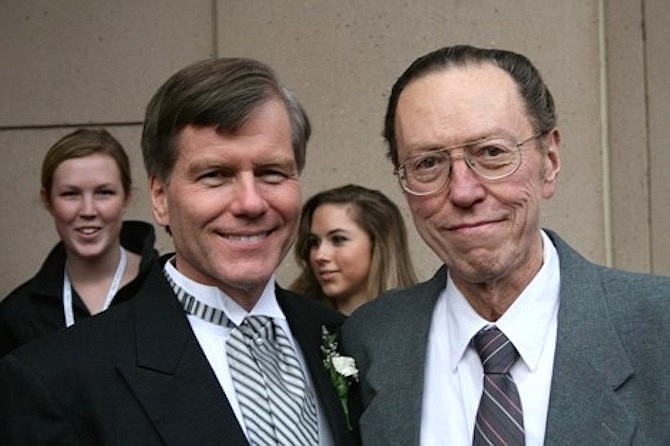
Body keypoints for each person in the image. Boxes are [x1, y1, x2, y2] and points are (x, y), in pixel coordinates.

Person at [0, 58, 360, 445]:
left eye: (271, 171)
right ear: (160, 198)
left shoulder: (344, 338)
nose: (251, 203)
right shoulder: (57, 379)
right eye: (215, 175)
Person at [341, 44, 670, 445]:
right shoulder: (370, 341)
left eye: (492, 153)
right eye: (428, 163)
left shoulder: (659, 328)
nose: (463, 191)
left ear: (549, 160)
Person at [0, 128, 158, 358]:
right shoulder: (18, 315)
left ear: (127, 197)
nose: (88, 210)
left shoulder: (167, 288)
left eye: (104, 193)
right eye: (70, 194)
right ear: (48, 200)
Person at [290, 183, 417, 315]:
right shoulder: (291, 320)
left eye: (338, 239)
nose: (319, 255)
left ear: (378, 243)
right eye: (314, 242)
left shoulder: (422, 319)